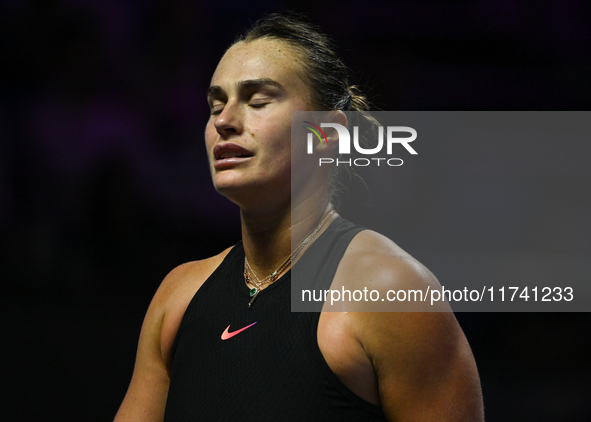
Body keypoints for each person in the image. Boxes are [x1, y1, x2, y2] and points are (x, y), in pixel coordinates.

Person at [114, 13, 484, 422]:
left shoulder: (389, 290)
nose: (224, 121)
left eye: (257, 101)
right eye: (215, 105)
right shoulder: (178, 295)